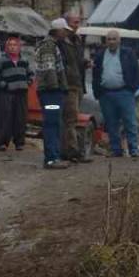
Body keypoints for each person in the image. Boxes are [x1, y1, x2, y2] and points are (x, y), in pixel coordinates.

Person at [92, 29, 139, 158]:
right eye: (109, 39)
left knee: (130, 122)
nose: (112, 42)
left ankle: (134, 149)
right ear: (106, 41)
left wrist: (132, 89)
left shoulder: (128, 53)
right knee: (111, 123)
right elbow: (95, 74)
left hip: (124, 93)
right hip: (106, 94)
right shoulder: (100, 55)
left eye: (114, 39)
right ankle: (116, 150)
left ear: (119, 40)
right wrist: (98, 92)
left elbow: (136, 72)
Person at [35, 20, 71, 169]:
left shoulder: (49, 45)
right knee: (52, 123)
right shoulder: (49, 47)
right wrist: (56, 88)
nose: (66, 33)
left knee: (53, 123)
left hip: (50, 91)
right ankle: (51, 158)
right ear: (58, 30)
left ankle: (53, 156)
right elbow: (50, 70)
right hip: (51, 92)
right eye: (65, 30)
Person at [59, 11, 92, 163]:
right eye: (75, 23)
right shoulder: (61, 42)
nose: (77, 26)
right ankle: (71, 151)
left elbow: (77, 61)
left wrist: (85, 63)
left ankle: (73, 150)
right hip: (68, 85)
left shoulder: (77, 41)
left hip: (78, 84)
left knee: (74, 118)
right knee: (70, 119)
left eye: (78, 22)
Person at [0, 36, 32, 151]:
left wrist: (27, 83)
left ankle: (19, 142)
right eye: (10, 45)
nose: (12, 47)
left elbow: (31, 74)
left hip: (22, 93)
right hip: (7, 93)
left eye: (15, 45)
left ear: (19, 47)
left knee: (20, 118)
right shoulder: (2, 60)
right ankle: (1, 143)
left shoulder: (24, 60)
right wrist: (5, 85)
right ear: (6, 47)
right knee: (5, 118)